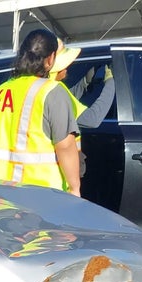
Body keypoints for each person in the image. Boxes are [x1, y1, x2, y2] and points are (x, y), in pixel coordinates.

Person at [0, 29, 81, 196]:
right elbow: (65, 145)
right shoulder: (51, 91)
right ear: (50, 59)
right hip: (42, 197)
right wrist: (74, 188)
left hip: (0, 195)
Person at [49, 39, 116, 178]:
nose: (67, 68)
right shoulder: (54, 93)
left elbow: (69, 97)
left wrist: (85, 81)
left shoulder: (45, 89)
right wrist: (111, 82)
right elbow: (92, 119)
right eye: (64, 64)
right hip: (54, 176)